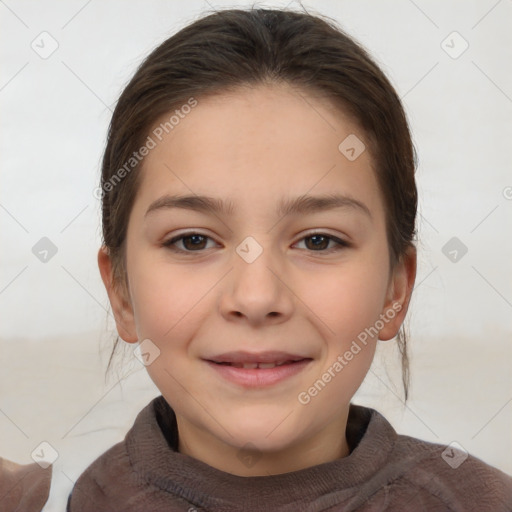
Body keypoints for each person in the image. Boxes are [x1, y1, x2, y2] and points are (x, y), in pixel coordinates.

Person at [67, 6, 512, 511]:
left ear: (396, 289)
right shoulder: (71, 499)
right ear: (121, 290)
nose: (256, 298)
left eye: (319, 241)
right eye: (193, 241)